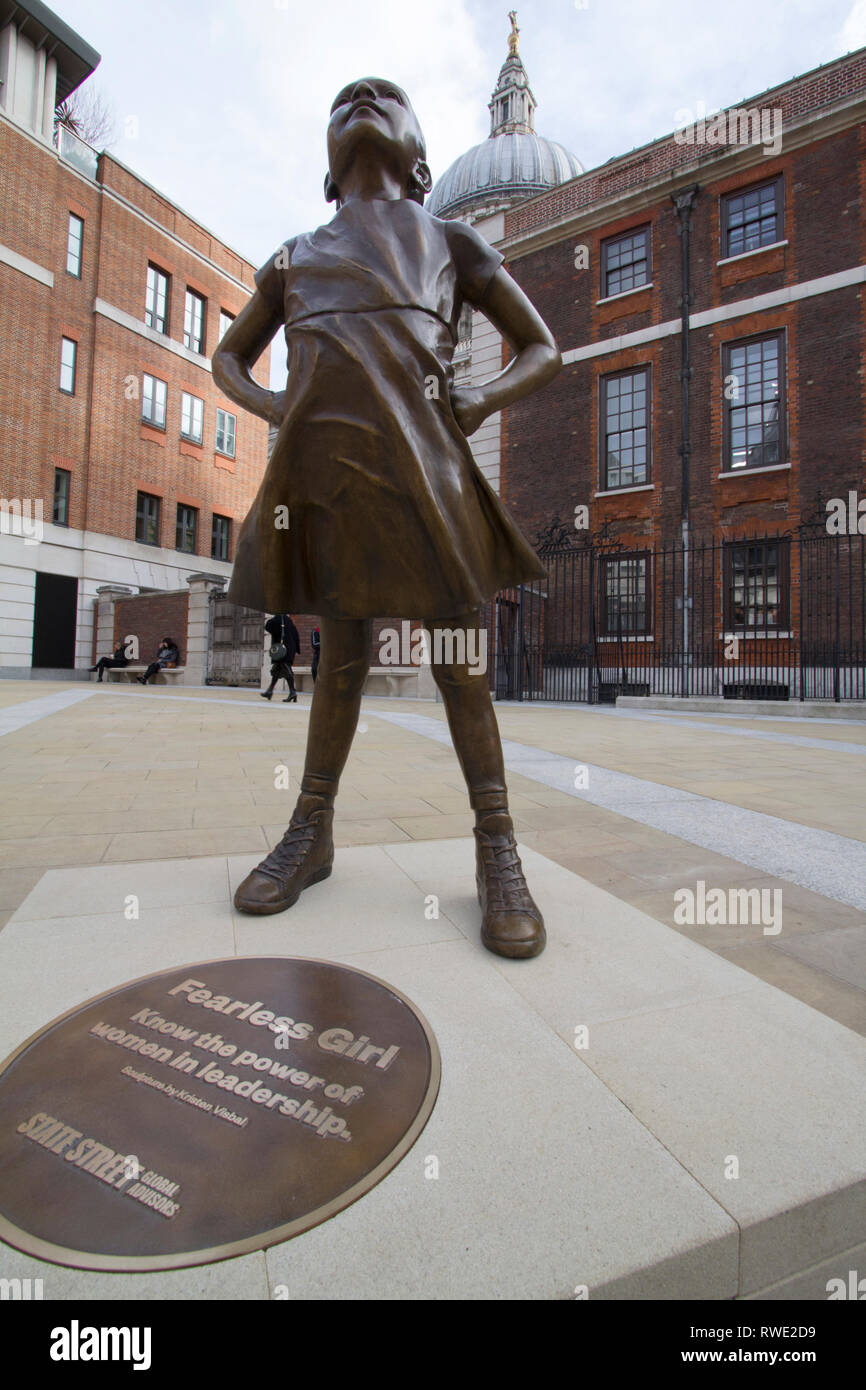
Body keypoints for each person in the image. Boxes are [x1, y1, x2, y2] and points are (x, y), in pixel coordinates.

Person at [212, 77, 561, 959]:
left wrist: (482, 394)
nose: (363, 99)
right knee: (340, 664)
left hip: (429, 480)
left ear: (420, 162)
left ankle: (496, 847)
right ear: (328, 173)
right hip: (329, 486)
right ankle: (311, 831)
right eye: (342, 102)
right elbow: (226, 356)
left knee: (461, 669)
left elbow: (543, 346)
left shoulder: (453, 242)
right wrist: (274, 407)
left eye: (386, 98)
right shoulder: (295, 256)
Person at [261, 612, 300, 702]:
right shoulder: (289, 620)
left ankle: (292, 692)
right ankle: (270, 691)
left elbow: (268, 627)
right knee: (276, 670)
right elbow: (296, 635)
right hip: (289, 649)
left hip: (282, 650)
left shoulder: (278, 618)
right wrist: (296, 649)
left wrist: (270, 620)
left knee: (286, 668)